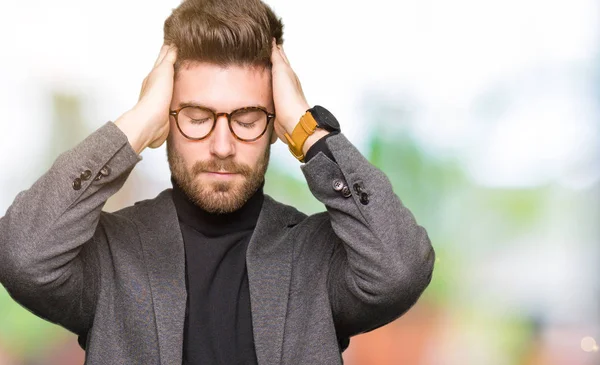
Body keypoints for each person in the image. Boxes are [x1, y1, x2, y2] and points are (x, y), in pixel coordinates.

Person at [0, 0, 435, 364]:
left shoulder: (317, 259)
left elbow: (401, 270)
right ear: (165, 119)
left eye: (247, 119)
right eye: (196, 118)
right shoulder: (110, 256)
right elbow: (22, 255)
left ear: (275, 126)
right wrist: (130, 127)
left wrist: (309, 131)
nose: (222, 145)